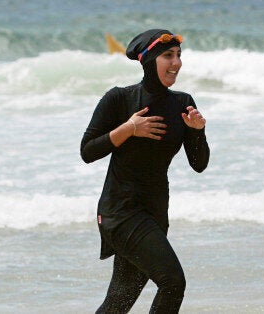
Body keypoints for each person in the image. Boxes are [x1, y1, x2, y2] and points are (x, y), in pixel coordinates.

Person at [80, 29, 210, 313]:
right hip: (120, 211)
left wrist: (198, 132)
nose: (176, 62)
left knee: (118, 302)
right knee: (172, 282)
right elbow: (87, 151)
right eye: (167, 55)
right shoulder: (119, 99)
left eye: (178, 55)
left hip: (154, 213)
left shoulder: (182, 103)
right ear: (148, 60)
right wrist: (129, 129)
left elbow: (199, 164)